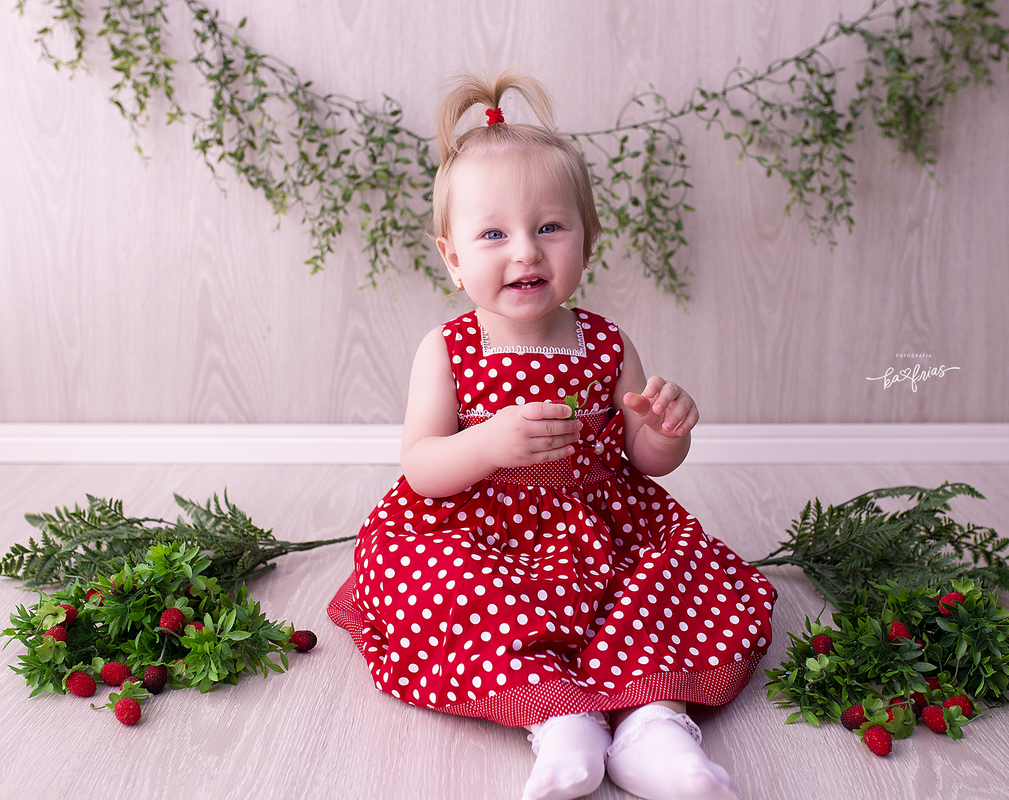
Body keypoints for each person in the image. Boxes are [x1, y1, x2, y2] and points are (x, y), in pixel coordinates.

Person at [328, 69, 776, 800]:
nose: (526, 252)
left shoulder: (607, 342)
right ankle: (561, 720)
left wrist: (667, 431)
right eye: (494, 234)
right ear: (453, 257)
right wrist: (488, 446)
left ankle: (654, 726)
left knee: (658, 587)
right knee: (462, 595)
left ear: (588, 240)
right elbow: (422, 469)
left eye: (550, 227)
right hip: (479, 530)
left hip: (606, 530)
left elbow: (645, 461)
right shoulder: (447, 350)